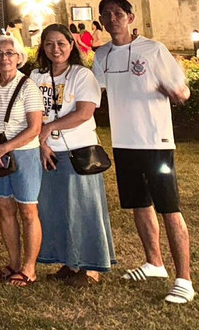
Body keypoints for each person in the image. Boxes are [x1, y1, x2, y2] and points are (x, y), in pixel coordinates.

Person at [93, 0, 194, 304]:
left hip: (155, 142)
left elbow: (182, 90)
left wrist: (178, 93)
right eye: (107, 15)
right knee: (139, 205)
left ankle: (184, 280)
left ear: (131, 17)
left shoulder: (154, 50)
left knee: (169, 209)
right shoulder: (103, 56)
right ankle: (154, 263)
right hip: (124, 142)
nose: (113, 19)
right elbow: (93, 94)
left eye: (118, 14)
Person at [31, 23, 115, 286]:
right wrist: (42, 143)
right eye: (49, 44)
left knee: (84, 209)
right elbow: (30, 113)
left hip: (77, 151)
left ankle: (91, 268)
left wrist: (50, 127)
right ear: (42, 48)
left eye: (61, 43)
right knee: (56, 210)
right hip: (48, 153)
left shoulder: (81, 75)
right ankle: (69, 261)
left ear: (71, 45)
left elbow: (84, 112)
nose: (56, 49)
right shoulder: (36, 76)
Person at [0, 35, 43, 286]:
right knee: (5, 209)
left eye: (10, 53)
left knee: (28, 210)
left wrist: (5, 147)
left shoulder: (28, 86)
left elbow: (34, 126)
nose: (4, 58)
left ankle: (29, 268)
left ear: (19, 58)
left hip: (23, 153)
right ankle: (14, 262)